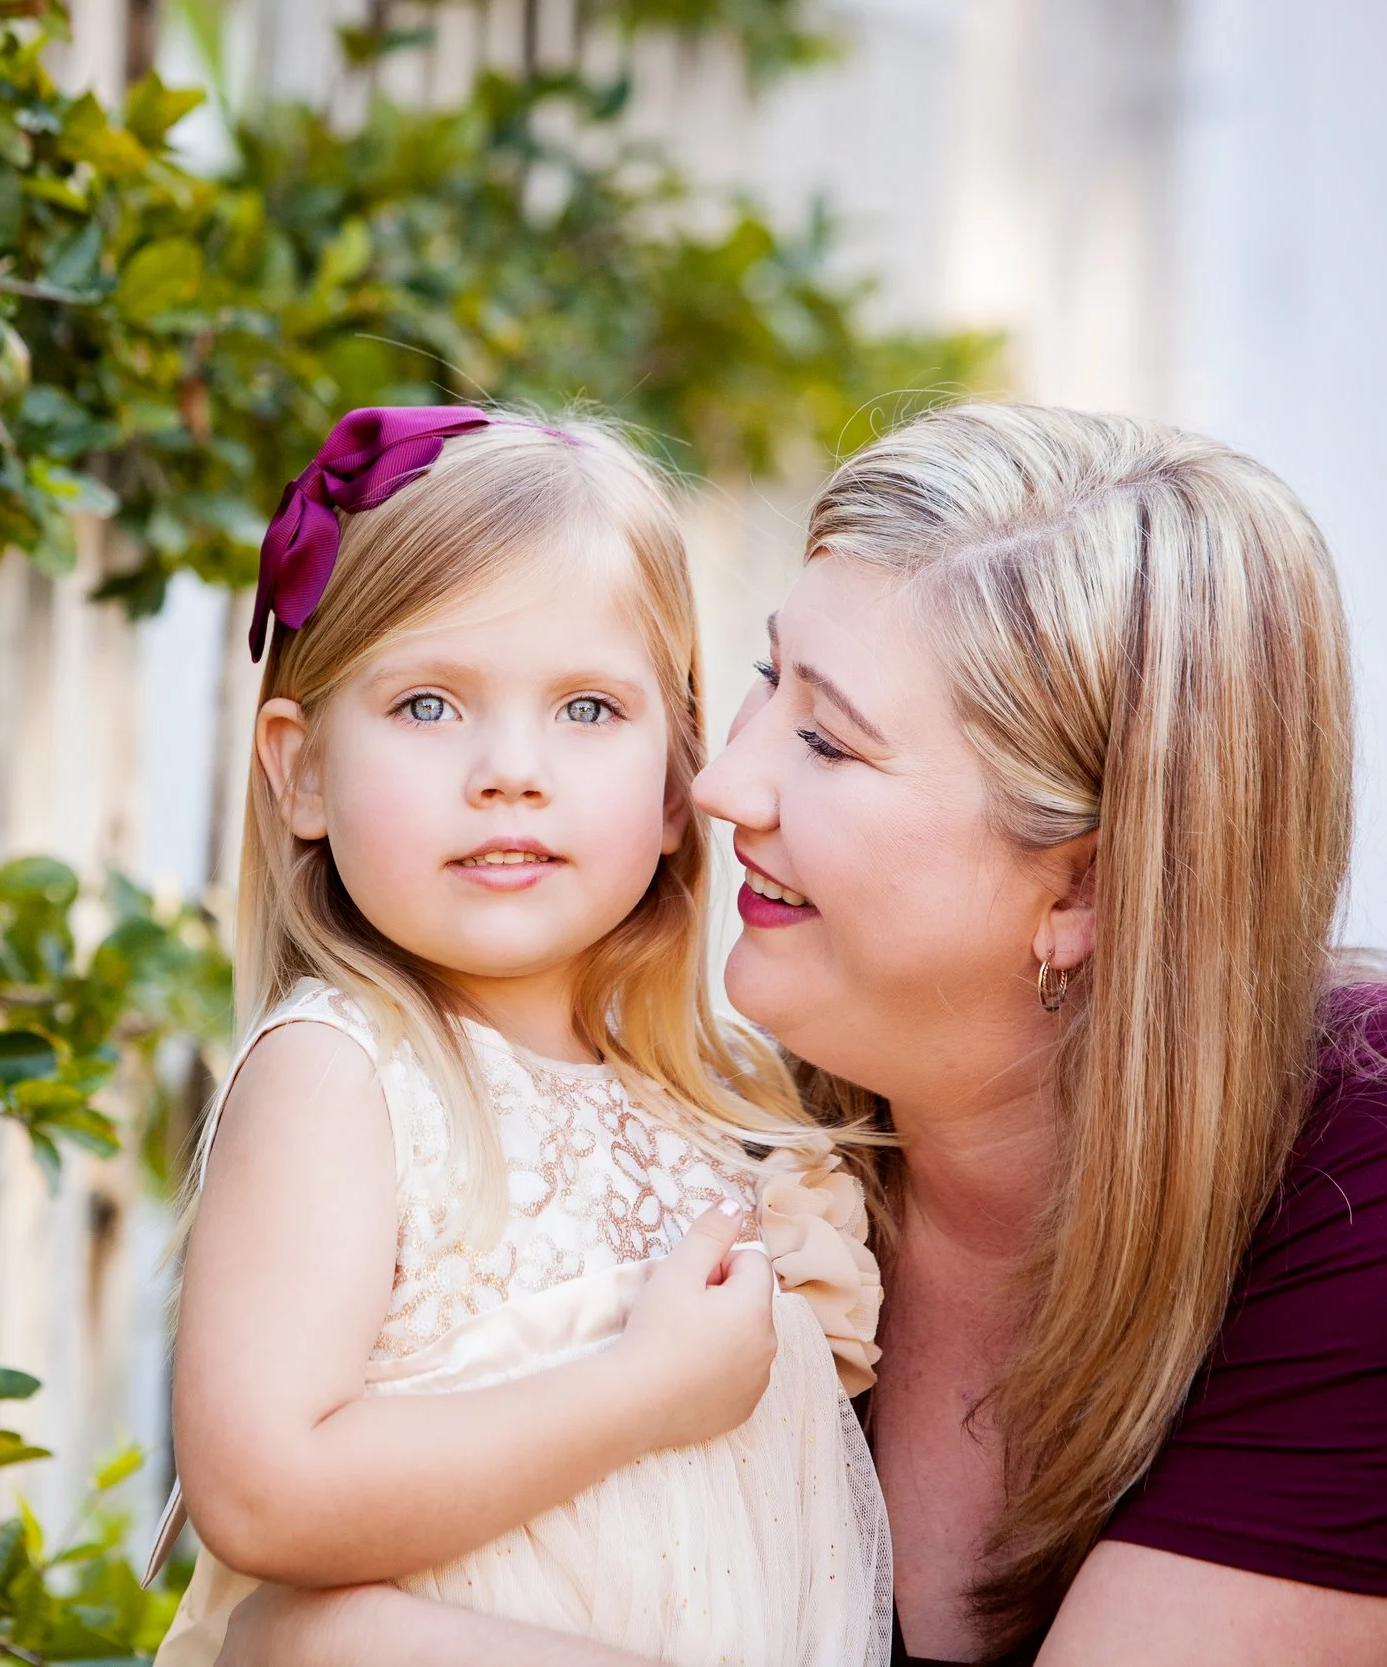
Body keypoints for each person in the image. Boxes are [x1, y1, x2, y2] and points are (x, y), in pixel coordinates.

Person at [206, 404, 1387, 1667]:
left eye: (827, 738)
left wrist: (360, 1643)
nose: (718, 783)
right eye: (768, 680)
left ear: (1087, 891)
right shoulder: (772, 1140)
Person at [152, 407, 892, 1666]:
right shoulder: (343, 1076)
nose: (510, 770)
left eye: (588, 710)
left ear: (677, 784)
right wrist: (642, 1391)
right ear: (302, 773)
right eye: (429, 703)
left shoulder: (736, 1105)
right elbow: (263, 1489)